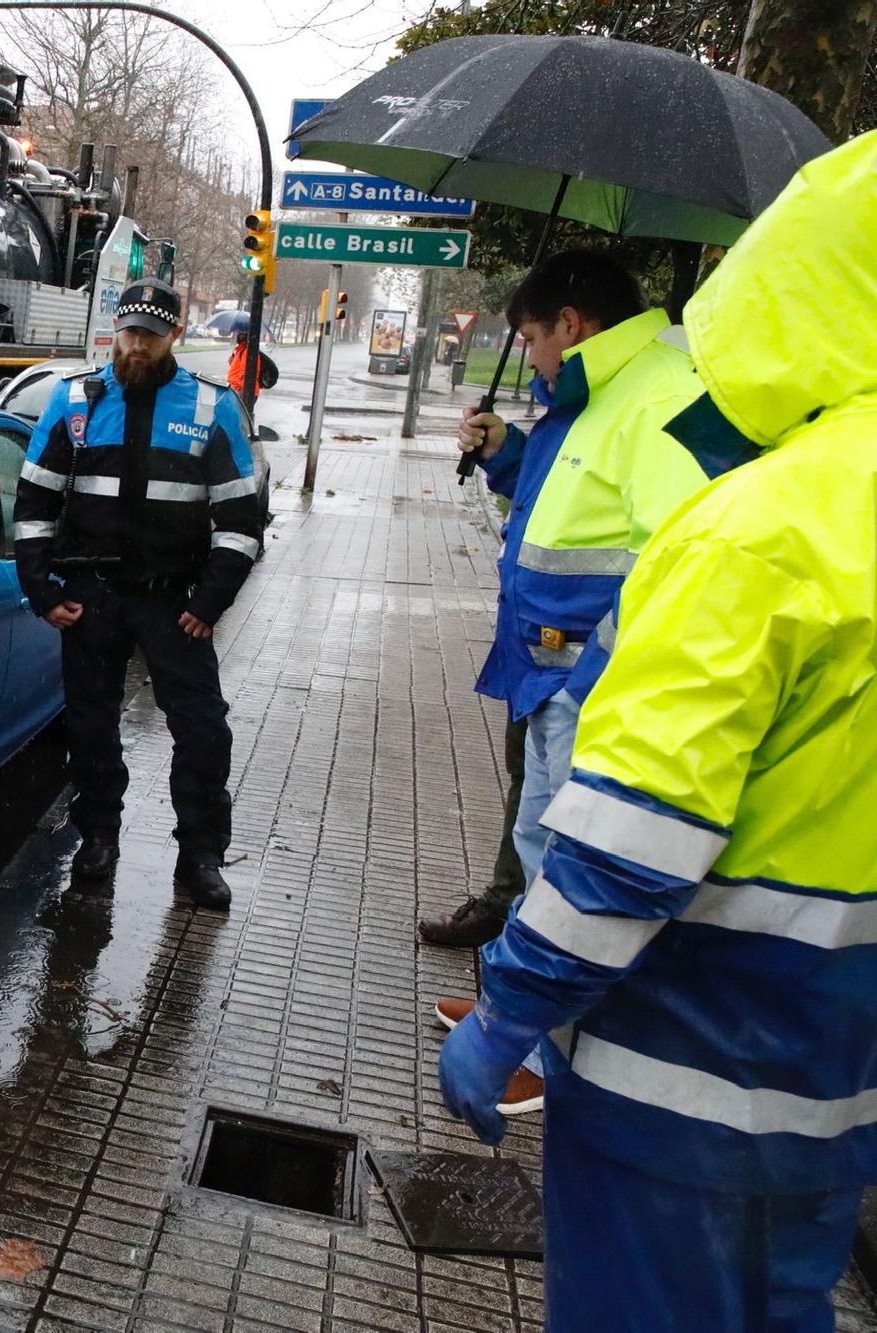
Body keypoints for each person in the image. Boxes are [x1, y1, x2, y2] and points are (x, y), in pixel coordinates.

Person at [440, 128, 876, 1331]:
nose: (521, 353)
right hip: (828, 1073)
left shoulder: (763, 522)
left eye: (527, 334)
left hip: (688, 1067)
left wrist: (507, 1016)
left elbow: (634, 838)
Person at [422, 251, 714, 1116]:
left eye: (532, 338)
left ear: (573, 324)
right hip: (553, 674)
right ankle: (514, 1019)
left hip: (588, 681)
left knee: (565, 863)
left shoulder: (659, 394)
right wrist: (510, 452)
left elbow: (681, 560)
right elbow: (571, 508)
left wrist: (593, 675)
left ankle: (545, 1058)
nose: (533, 357)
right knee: (540, 845)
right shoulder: (600, 394)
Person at [12, 277, 262, 907]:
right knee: (91, 728)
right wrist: (42, 591)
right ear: (114, 333)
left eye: (149, 336)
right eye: (128, 334)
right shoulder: (76, 402)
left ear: (172, 335)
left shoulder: (212, 406)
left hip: (174, 603)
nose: (136, 347)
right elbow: (35, 502)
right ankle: (98, 838)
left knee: (205, 732)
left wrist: (209, 603)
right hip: (91, 597)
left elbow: (242, 520)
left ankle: (200, 856)